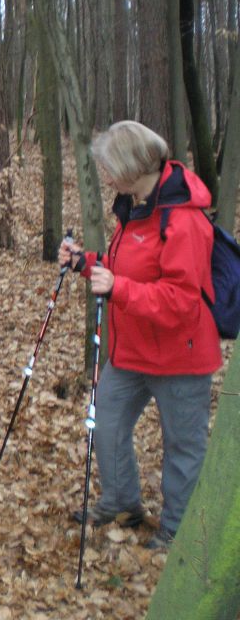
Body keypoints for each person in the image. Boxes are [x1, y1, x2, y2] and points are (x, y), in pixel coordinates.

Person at [59, 120, 221, 550]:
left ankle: (178, 530)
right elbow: (123, 267)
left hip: (181, 358)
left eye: (111, 167)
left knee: (182, 448)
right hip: (132, 352)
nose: (106, 176)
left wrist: (117, 288)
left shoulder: (183, 222)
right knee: (106, 423)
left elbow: (182, 301)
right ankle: (121, 503)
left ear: (134, 166)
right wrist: (84, 262)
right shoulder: (136, 207)